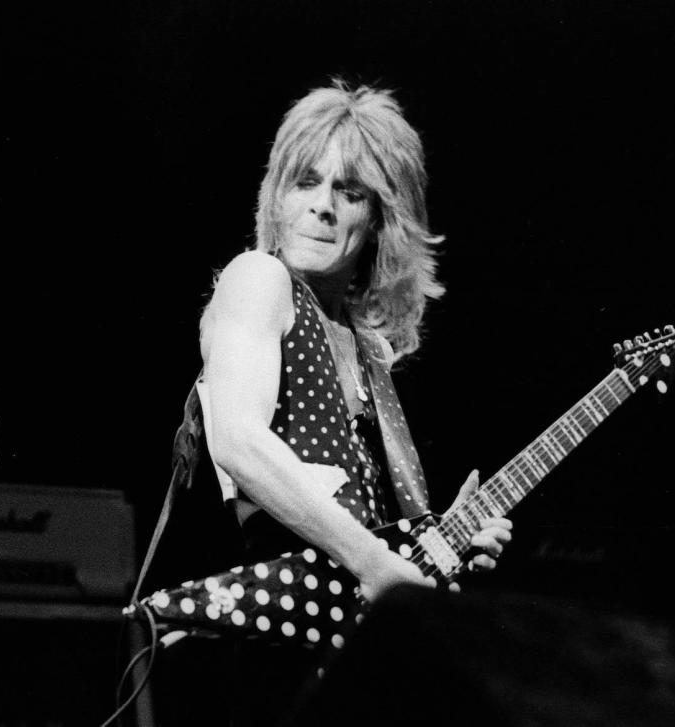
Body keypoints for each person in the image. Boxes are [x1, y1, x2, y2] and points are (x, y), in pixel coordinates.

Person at [196, 79, 512, 724]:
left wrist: (442, 542)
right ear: (276, 193)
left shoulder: (366, 348)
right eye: (305, 182)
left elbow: (370, 526)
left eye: (350, 192)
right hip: (267, 645)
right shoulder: (260, 279)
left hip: (344, 656)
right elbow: (238, 441)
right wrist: (380, 566)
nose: (322, 208)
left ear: (380, 220)